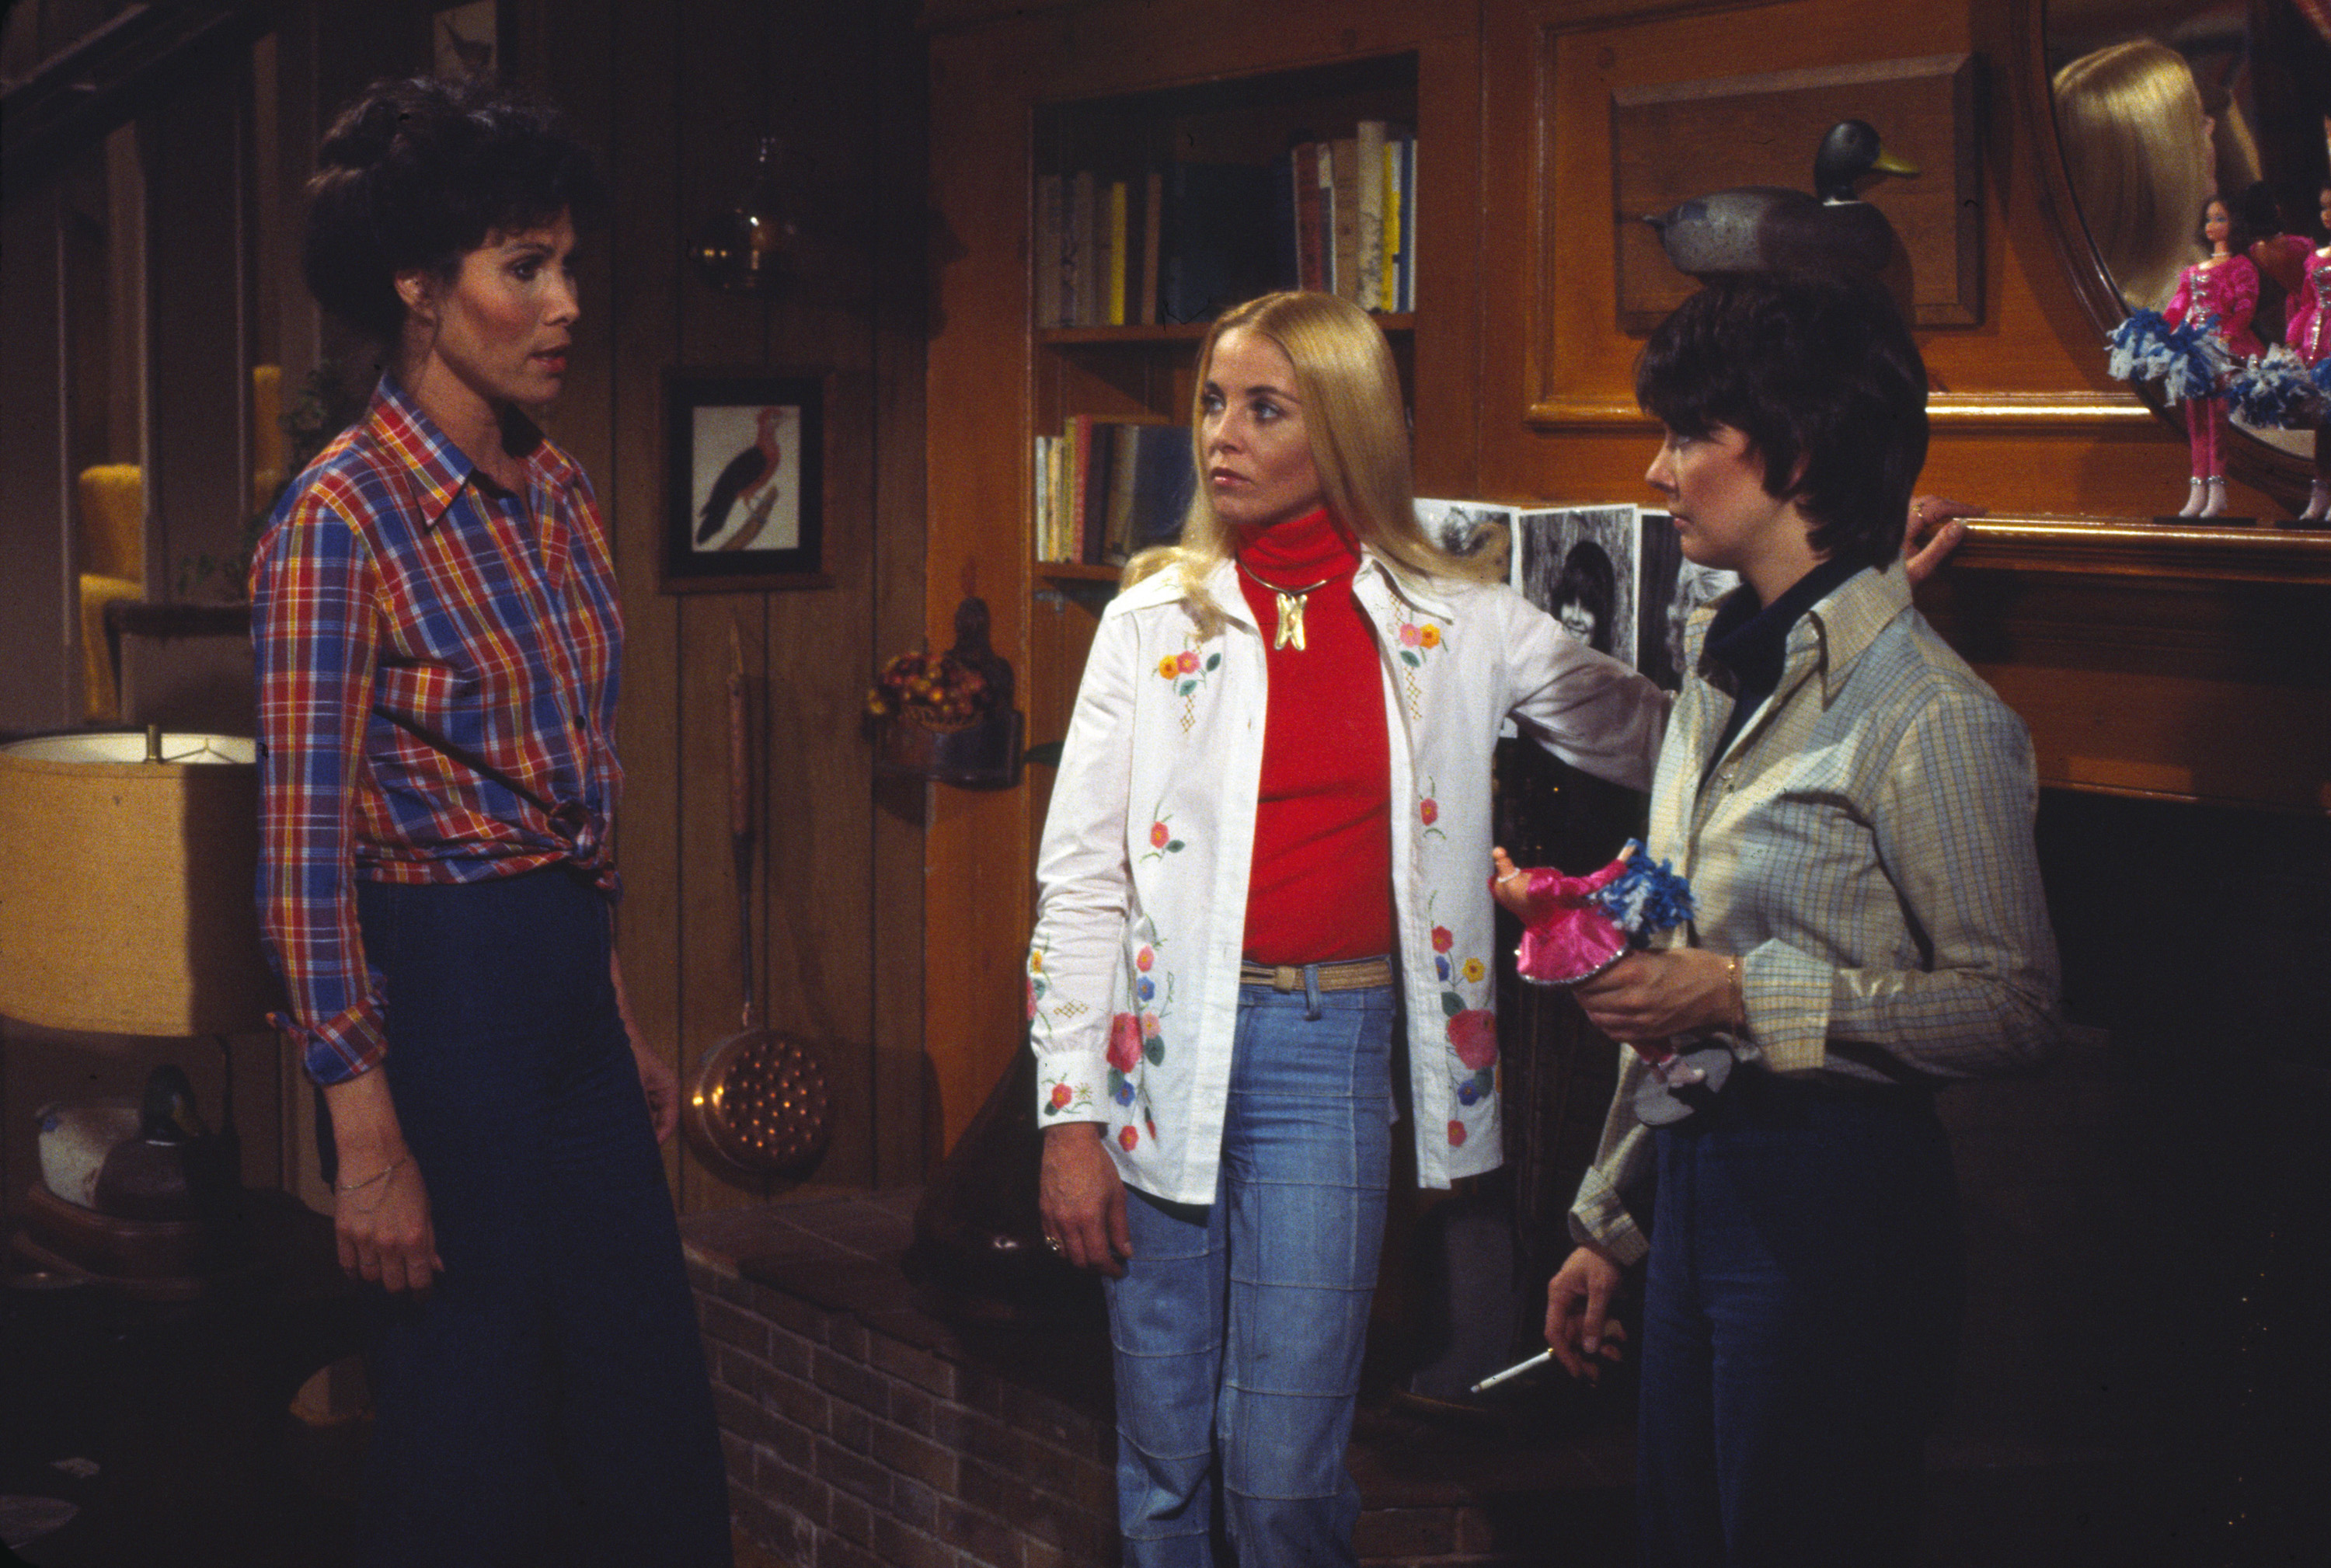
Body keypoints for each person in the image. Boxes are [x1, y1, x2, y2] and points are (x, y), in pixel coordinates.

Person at [1026, 290, 1671, 1564]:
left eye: (1265, 407)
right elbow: (1080, 880)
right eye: (1215, 401)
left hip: (1331, 1052)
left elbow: (1659, 733)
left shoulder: (1456, 623)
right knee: (1161, 1460)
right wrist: (1066, 1114)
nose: (1223, 433)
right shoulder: (1151, 623)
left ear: (1344, 425)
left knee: (1279, 1476)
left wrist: (1835, 603)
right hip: (1154, 1059)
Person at [251, 76, 730, 1568]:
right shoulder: (341, 518)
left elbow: (571, 789)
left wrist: (614, 1004)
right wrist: (365, 1133)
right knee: (469, 1418)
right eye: (524, 265)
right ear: (419, 284)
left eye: (568, 263)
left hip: (561, 979)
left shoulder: (562, 489)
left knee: (642, 1398)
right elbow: (298, 862)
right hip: (440, 989)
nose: (564, 300)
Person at [1538, 272, 2062, 1567]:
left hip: (1840, 1202)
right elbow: (1675, 960)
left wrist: (1737, 993)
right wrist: (1613, 1215)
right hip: (1705, 1175)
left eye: (1686, 436)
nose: (1657, 469)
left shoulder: (1932, 715)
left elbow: (2013, 1001)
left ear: (1795, 455)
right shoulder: (1720, 674)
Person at [2051, 39, 2222, 312]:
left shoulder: (2185, 264)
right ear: (2162, 158)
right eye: (2199, 123)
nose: (2212, 134)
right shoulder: (2141, 319)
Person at [2163, 195, 2263, 516]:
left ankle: (2217, 488)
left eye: (2220, 218)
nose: (2212, 225)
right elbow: (2178, 306)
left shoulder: (2241, 266)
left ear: (2234, 224)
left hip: (2225, 347)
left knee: (2218, 416)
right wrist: (2159, 331)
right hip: (2195, 348)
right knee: (2195, 418)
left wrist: (2228, 336)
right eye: (2208, 219)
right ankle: (2198, 486)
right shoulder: (2192, 271)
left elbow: (2246, 306)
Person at [1551, 538, 1618, 656]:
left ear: (1602, 616)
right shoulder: (1542, 667)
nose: (1576, 618)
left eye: (1587, 607)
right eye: (1570, 602)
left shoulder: (1611, 673)